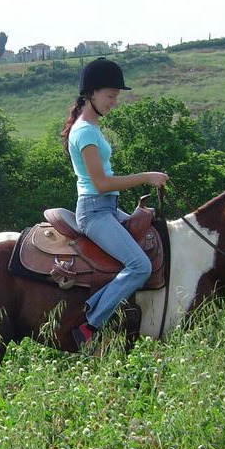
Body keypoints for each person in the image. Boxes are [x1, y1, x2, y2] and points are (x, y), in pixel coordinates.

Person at [60, 57, 169, 348]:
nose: (114, 102)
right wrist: (146, 177)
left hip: (106, 207)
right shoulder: (84, 132)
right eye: (111, 96)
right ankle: (90, 322)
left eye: (116, 97)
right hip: (95, 211)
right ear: (92, 93)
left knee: (155, 233)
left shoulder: (91, 129)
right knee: (139, 266)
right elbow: (101, 183)